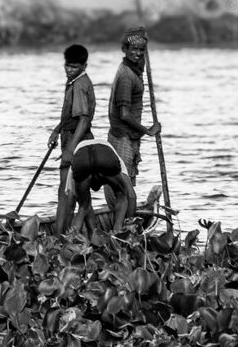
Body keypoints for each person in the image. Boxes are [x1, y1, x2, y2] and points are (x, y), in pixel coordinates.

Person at [48, 44, 96, 235]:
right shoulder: (74, 82)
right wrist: (56, 130)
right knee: (78, 194)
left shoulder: (80, 85)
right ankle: (94, 235)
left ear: (84, 66)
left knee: (66, 193)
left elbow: (83, 120)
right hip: (71, 137)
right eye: (67, 66)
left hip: (78, 141)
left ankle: (61, 235)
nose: (69, 70)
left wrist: (69, 151)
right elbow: (70, 116)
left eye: (74, 67)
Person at [107, 27, 161, 188]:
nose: (138, 53)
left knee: (128, 182)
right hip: (122, 137)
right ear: (125, 50)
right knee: (123, 185)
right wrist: (148, 131)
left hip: (129, 136)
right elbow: (124, 114)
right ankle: (123, 212)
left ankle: (128, 212)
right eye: (134, 49)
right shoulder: (126, 77)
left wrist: (142, 35)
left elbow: (140, 61)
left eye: (142, 50)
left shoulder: (132, 69)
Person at [65, 139, 136, 238]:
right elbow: (131, 195)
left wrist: (66, 233)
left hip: (82, 161)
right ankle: (117, 230)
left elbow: (70, 208)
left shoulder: (73, 168)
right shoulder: (116, 161)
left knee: (83, 206)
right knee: (121, 194)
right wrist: (130, 224)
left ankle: (72, 239)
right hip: (105, 157)